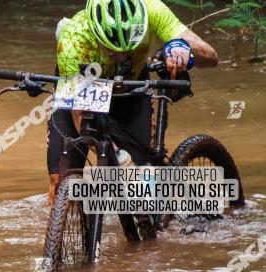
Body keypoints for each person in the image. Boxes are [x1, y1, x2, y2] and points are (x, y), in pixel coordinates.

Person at [48, 0, 218, 201]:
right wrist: (116, 155)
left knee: (141, 183)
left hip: (131, 92)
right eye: (111, 50)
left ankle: (158, 221)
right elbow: (79, 116)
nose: (119, 56)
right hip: (84, 91)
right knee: (61, 185)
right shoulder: (74, 36)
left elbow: (211, 57)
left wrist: (182, 48)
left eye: (128, 50)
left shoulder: (152, 9)